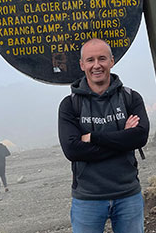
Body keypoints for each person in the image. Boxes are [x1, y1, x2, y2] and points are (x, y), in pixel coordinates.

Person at [58, 39, 150, 233]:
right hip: (87, 198)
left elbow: (139, 137)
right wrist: (123, 139)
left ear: (112, 61)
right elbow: (72, 150)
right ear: (82, 65)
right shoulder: (69, 105)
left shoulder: (131, 98)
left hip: (128, 195)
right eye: (90, 60)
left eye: (102, 58)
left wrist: (92, 137)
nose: (96, 65)